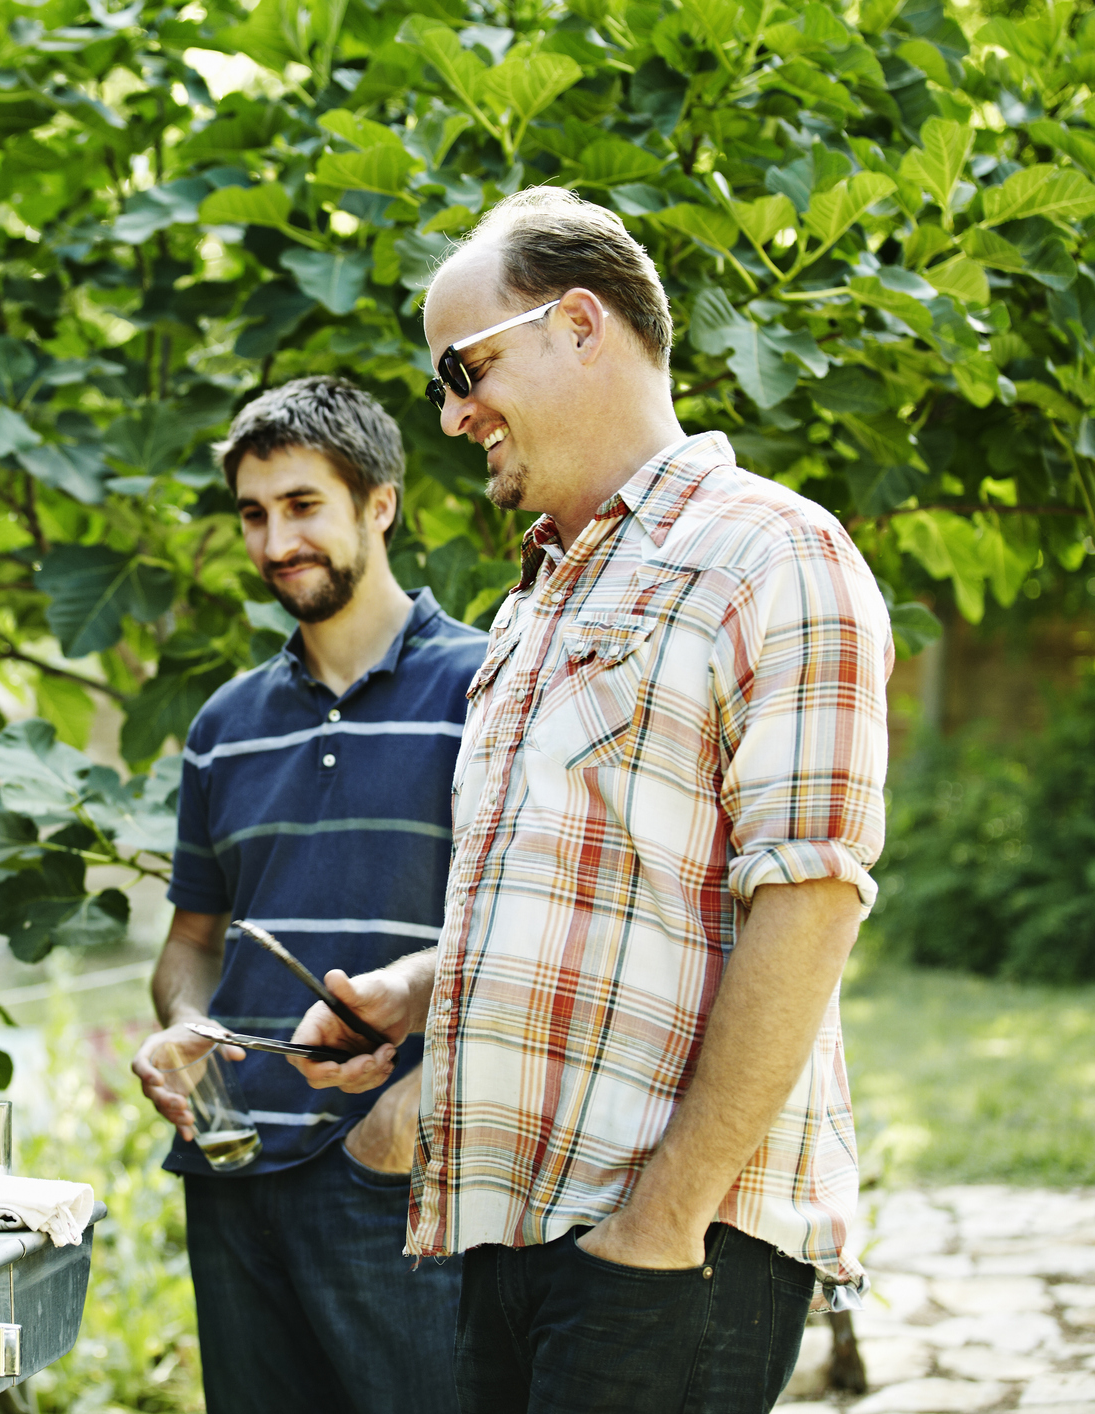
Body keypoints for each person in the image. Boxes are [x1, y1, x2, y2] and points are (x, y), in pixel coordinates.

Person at [289, 188, 892, 1413]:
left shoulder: (773, 553)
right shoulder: (537, 600)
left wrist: (663, 1224)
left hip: (667, 1244)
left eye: (463, 369)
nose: (453, 416)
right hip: (508, 1227)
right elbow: (592, 896)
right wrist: (422, 992)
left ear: (578, 322)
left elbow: (811, 906)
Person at [128, 376, 484, 1414]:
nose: (275, 540)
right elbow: (191, 943)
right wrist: (185, 1031)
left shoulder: (490, 687)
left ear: (380, 504)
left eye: (302, 505)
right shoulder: (223, 725)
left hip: (404, 1169)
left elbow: (531, 928)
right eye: (253, 513)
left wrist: (395, 1132)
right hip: (232, 1168)